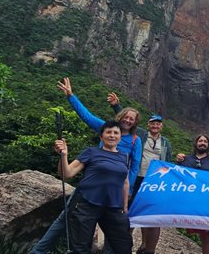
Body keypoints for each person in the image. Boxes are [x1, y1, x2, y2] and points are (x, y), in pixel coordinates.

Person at [30, 78, 142, 254]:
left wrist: (127, 195)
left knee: (118, 237)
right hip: (90, 188)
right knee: (66, 219)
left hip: (113, 193)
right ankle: (38, 251)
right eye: (125, 117)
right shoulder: (101, 135)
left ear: (134, 123)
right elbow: (87, 116)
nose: (127, 120)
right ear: (102, 135)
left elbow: (134, 167)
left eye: (131, 119)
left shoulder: (135, 140)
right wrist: (71, 96)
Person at [108, 92, 173, 254]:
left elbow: (169, 163)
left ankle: (146, 247)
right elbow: (126, 123)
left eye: (158, 123)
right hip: (137, 178)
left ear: (161, 126)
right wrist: (116, 106)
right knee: (131, 210)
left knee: (149, 212)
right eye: (153, 123)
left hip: (155, 181)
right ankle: (124, 245)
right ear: (149, 124)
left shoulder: (166, 143)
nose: (155, 125)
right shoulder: (141, 135)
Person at [54, 120, 133, 254]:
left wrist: (125, 207)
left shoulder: (124, 157)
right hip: (87, 203)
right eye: (108, 132)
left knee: (123, 245)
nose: (112, 135)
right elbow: (67, 173)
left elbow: (125, 182)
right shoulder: (91, 152)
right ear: (101, 136)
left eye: (116, 133)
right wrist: (64, 155)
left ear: (120, 137)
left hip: (113, 207)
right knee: (81, 247)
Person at [178, 134, 209, 254]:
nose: (202, 143)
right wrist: (178, 161)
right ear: (196, 143)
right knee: (195, 233)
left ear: (208, 145)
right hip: (189, 203)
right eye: (200, 141)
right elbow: (178, 177)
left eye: (205, 141)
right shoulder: (186, 159)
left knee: (206, 236)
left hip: (206, 204)